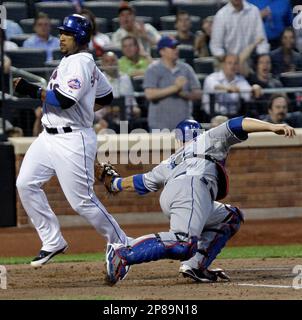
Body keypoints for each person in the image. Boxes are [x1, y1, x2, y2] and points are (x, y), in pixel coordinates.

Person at [103, 117, 296, 285]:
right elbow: (237, 123)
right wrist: (271, 127)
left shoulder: (171, 161)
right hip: (192, 187)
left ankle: (195, 266)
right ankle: (122, 253)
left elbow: (141, 183)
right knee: (183, 243)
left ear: (178, 139)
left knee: (229, 217)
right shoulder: (208, 138)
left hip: (183, 195)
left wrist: (115, 184)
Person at [13, 14, 129, 267]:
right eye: (61, 32)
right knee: (26, 184)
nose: (61, 37)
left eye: (67, 33)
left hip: (72, 138)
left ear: (80, 38)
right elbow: (106, 96)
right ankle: (52, 240)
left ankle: (123, 244)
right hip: (49, 136)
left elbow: (65, 100)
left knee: (82, 202)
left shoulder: (79, 62)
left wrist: (32, 89)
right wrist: (87, 107)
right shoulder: (76, 61)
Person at [144, 36, 202, 130]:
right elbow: (150, 94)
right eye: (172, 47)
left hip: (184, 125)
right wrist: (175, 88)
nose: (176, 50)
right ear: (162, 51)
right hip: (159, 125)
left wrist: (184, 94)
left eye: (176, 47)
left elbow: (198, 94)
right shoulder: (153, 69)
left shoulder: (186, 68)